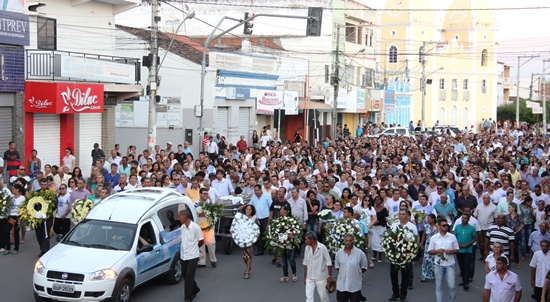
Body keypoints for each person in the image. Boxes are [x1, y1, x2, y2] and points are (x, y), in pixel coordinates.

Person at [389, 209, 418, 302]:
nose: (401, 216)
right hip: (395, 254)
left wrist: (414, 251)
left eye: (403, 214)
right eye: (400, 214)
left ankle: (403, 294)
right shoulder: (394, 225)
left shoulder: (412, 227)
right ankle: (395, 292)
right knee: (393, 273)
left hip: (407, 254)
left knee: (405, 275)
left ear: (407, 216)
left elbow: (416, 239)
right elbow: (389, 238)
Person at [428, 218, 459, 302]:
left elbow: (457, 249)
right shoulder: (434, 238)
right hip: (438, 264)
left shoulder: (452, 237)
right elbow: (430, 251)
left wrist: (451, 251)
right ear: (439, 226)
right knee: (439, 286)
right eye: (444, 225)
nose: (446, 227)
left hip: (450, 264)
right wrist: (438, 251)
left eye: (447, 225)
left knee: (452, 286)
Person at [178, 209, 204, 302]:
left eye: (180, 216)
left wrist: (195, 248)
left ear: (185, 217)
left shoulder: (195, 228)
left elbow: (201, 240)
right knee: (185, 275)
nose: (179, 218)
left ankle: (188, 297)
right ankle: (195, 288)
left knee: (189, 277)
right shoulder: (182, 227)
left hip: (193, 256)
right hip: (184, 255)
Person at [335, 233, 368, 302]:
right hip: (342, 285)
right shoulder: (339, 253)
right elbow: (338, 267)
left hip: (355, 285)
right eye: (346, 241)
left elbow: (364, 267)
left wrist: (357, 273)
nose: (348, 243)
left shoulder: (360, 254)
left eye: (350, 241)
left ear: (353, 242)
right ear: (344, 241)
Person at [230, 204, 259, 279]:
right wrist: (232, 230)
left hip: (250, 239)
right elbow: (235, 224)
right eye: (247, 209)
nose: (248, 211)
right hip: (242, 239)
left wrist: (257, 234)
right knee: (244, 255)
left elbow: (257, 228)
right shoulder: (241, 218)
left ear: (252, 211)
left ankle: (247, 271)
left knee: (248, 254)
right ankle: (248, 267)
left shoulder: (254, 218)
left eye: (250, 209)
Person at [303, 231, 332, 302]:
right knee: (309, 298)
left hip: (320, 277)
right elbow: (305, 262)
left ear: (312, 239)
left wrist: (329, 277)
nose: (305, 241)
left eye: (307, 239)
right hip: (310, 276)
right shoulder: (307, 248)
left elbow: (329, 263)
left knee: (323, 297)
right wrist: (305, 277)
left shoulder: (322, 248)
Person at [454, 213, 477, 291]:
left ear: (468, 219)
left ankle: (466, 283)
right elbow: (454, 237)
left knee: (466, 265)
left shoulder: (471, 228)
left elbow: (474, 238)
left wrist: (468, 244)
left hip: (468, 250)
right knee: (461, 266)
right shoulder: (457, 227)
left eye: (465, 218)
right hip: (459, 249)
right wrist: (457, 244)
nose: (463, 219)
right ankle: (464, 279)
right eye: (462, 218)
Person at [248, 184, 272, 256]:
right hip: (257, 219)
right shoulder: (253, 197)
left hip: (265, 218)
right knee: (259, 235)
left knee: (267, 234)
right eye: (255, 191)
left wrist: (270, 218)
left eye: (257, 190)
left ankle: (270, 249)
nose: (256, 192)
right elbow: (250, 205)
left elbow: (271, 207)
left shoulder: (266, 197)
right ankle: (260, 250)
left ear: (261, 190)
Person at [196, 188, 217, 268]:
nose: (205, 195)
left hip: (209, 226)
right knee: (201, 244)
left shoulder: (210, 203)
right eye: (204, 193)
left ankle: (213, 260)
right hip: (199, 226)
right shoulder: (196, 203)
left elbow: (214, 213)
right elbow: (195, 213)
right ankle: (202, 261)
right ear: (200, 194)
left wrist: (204, 214)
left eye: (206, 193)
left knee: (210, 243)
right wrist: (201, 214)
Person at [35, 178, 56, 257]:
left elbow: (54, 204)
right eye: (42, 185)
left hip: (47, 217)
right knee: (39, 234)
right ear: (40, 185)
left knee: (45, 234)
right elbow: (31, 203)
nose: (44, 186)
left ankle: (45, 250)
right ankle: (42, 248)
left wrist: (47, 211)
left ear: (47, 184)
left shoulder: (51, 193)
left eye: (45, 185)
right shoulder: (36, 193)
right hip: (38, 217)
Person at [278, 203, 298, 283]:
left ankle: (294, 273)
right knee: (284, 259)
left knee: (291, 259)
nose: (280, 211)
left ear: (285, 211)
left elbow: (294, 231)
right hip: (282, 243)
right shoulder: (279, 220)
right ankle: (285, 275)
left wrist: (288, 238)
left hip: (290, 242)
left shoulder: (292, 220)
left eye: (281, 209)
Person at [5, 183, 24, 255]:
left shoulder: (22, 198)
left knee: (16, 233)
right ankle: (8, 248)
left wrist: (20, 218)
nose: (13, 190)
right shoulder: (11, 197)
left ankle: (16, 248)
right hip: (11, 216)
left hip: (17, 216)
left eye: (14, 189)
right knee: (6, 232)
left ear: (18, 190)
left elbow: (23, 209)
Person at [421, 213, 437, 282]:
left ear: (433, 219)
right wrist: (422, 243)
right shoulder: (426, 226)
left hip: (435, 245)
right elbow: (424, 235)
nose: (428, 220)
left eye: (429, 218)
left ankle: (434, 274)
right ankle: (424, 275)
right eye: (427, 218)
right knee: (426, 260)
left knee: (434, 260)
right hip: (428, 244)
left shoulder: (437, 227)